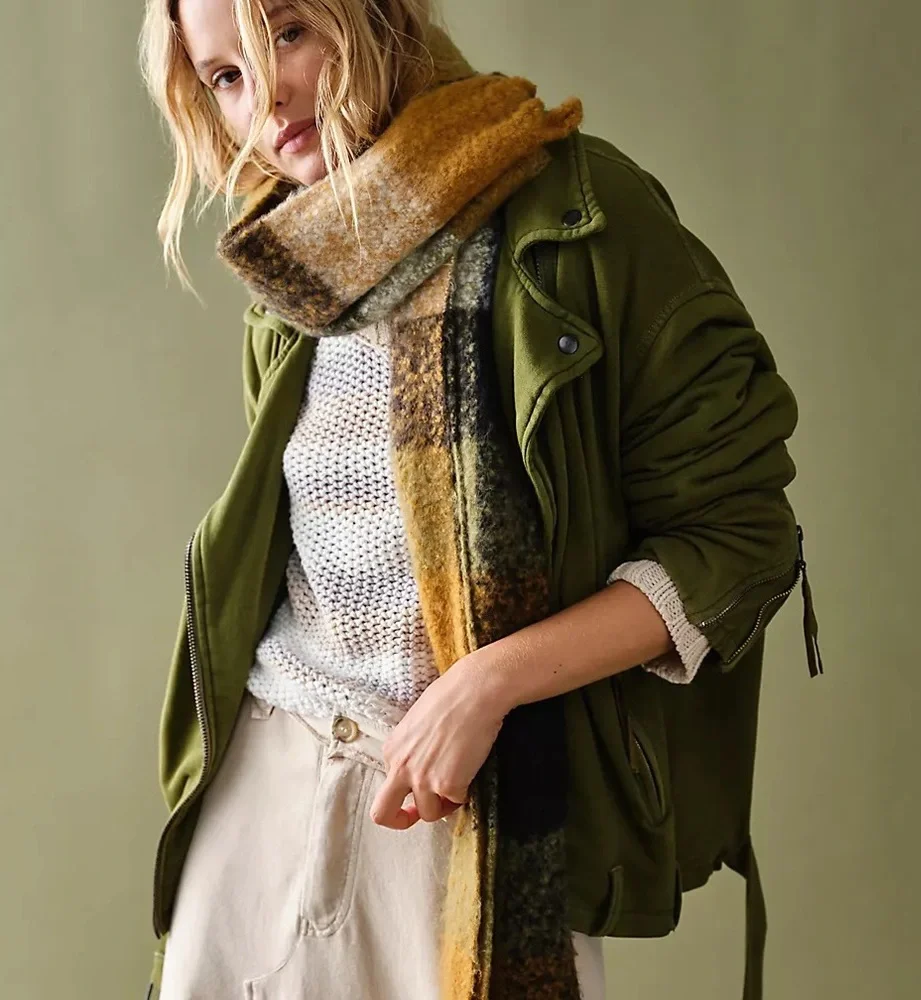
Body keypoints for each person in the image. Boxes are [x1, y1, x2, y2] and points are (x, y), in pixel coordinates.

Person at [139, 1, 822, 998]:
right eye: (226, 77)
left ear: (370, 16)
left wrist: (487, 684)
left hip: (471, 803)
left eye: (287, 32)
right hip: (266, 786)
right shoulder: (293, 262)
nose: (266, 96)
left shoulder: (580, 215)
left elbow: (740, 537)